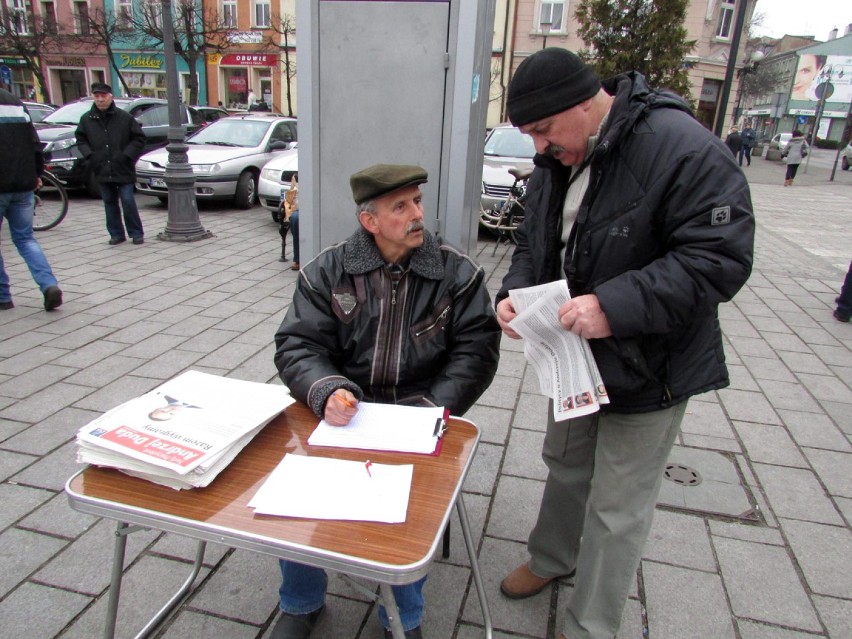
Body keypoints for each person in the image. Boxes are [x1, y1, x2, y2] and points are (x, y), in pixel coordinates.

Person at [494, 48, 754, 639]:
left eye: (542, 130)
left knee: (616, 506)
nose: (538, 147)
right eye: (528, 134)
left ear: (586, 105)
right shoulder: (561, 155)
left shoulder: (683, 147)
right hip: (572, 358)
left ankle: (591, 624)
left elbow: (720, 259)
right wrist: (513, 295)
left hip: (652, 364)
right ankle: (552, 559)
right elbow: (535, 245)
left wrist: (614, 306)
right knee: (564, 462)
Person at [272, 163, 502, 639]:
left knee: (404, 504)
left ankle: (403, 617)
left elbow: (476, 353)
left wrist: (429, 413)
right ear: (369, 221)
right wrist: (326, 391)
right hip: (342, 410)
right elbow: (298, 345)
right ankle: (300, 602)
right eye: (400, 206)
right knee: (294, 488)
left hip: (419, 411)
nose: (417, 214)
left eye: (417, 201)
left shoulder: (458, 274)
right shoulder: (327, 271)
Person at [0, 88, 63, 312]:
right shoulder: (15, 102)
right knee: (25, 239)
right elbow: (34, 143)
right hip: (23, 183)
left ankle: (3, 296)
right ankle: (48, 285)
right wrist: (36, 174)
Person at [75, 82, 147, 245]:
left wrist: (127, 155)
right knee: (109, 202)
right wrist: (90, 155)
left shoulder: (124, 117)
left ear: (110, 97)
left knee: (128, 200)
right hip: (101, 167)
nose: (100, 100)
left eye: (103, 96)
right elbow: (81, 139)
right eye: (97, 96)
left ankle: (136, 232)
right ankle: (116, 233)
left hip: (122, 167)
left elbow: (139, 138)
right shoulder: (87, 119)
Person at [280, 174, 300, 270]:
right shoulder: (296, 177)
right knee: (296, 218)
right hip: (298, 209)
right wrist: (294, 185)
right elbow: (289, 199)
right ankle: (298, 259)